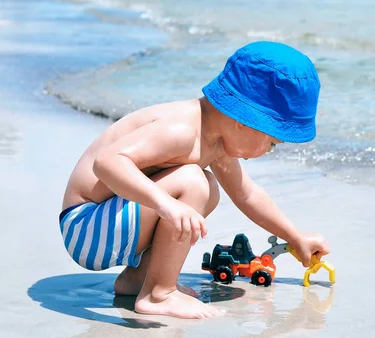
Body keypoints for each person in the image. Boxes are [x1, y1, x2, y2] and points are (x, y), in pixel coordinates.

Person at [59, 41, 330, 319]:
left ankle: (137, 280)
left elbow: (247, 195)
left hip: (108, 225)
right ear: (245, 121)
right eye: (272, 143)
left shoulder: (215, 140)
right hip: (85, 228)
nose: (267, 152)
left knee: (208, 187)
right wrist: (165, 204)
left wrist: (294, 237)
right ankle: (158, 294)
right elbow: (107, 162)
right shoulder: (182, 130)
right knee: (195, 183)